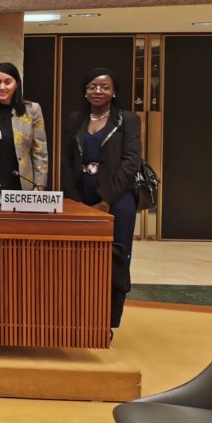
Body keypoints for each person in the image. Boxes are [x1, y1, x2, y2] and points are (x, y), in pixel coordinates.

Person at [61, 67, 142, 328]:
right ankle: (80, 316)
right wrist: (74, 200)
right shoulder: (75, 118)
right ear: (85, 91)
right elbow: (66, 161)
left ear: (114, 91)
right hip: (81, 199)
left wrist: (106, 199)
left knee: (114, 260)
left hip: (117, 200)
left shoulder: (127, 120)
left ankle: (108, 321)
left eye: (105, 87)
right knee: (79, 259)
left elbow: (131, 162)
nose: (98, 91)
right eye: (92, 86)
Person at [0, 62, 48, 191]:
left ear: (16, 84)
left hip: (19, 186)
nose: (2, 87)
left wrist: (39, 186)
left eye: (7, 82)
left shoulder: (32, 110)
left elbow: (40, 152)